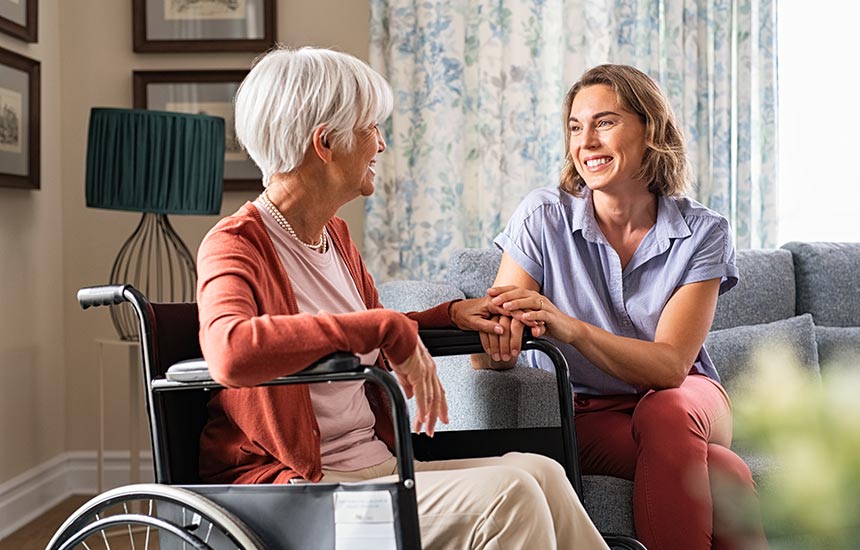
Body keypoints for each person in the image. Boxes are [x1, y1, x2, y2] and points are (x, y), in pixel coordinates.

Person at [195, 46, 609, 549]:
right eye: (371, 128)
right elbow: (230, 351)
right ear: (325, 143)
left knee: (541, 472)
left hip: (373, 469)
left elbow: (361, 329)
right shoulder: (236, 244)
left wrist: (453, 316)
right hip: (300, 494)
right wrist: (384, 326)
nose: (382, 143)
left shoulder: (335, 239)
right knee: (510, 495)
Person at [476, 64, 768, 550]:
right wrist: (499, 344)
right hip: (587, 412)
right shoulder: (542, 217)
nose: (585, 141)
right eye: (575, 127)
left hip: (689, 400)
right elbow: (487, 348)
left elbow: (671, 366)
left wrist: (571, 329)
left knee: (667, 410)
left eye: (605, 122)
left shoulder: (703, 233)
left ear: (649, 129)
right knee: (725, 471)